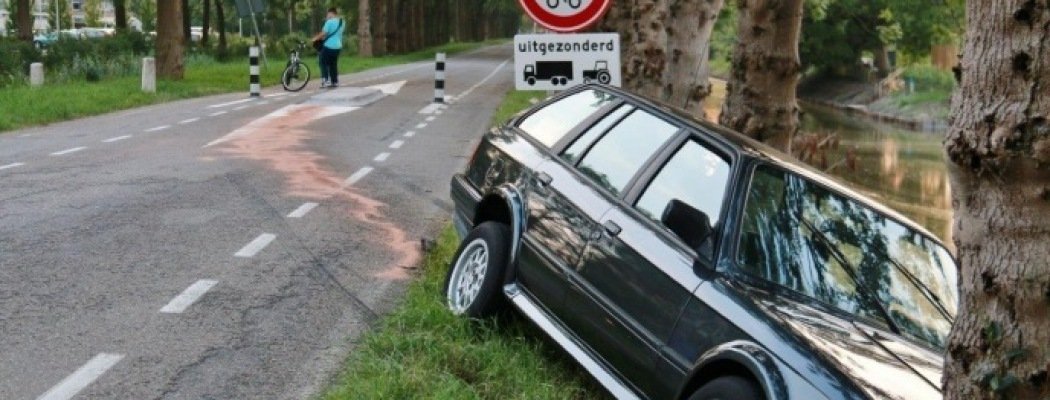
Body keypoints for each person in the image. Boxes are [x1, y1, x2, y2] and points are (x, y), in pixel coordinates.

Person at [313, 7, 345, 89]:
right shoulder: (342, 22)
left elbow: (324, 33)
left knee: (322, 62)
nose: (327, 16)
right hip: (338, 46)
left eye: (327, 14)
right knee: (333, 64)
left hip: (328, 46)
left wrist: (315, 38)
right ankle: (334, 81)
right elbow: (338, 34)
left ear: (331, 13)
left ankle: (325, 80)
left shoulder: (329, 22)